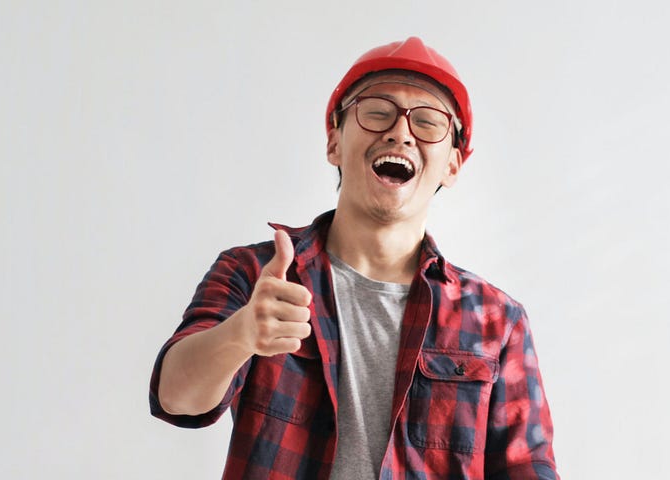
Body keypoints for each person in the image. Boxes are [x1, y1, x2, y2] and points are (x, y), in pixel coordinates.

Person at [148, 37, 558, 479]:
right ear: (334, 143)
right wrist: (242, 333)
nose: (400, 132)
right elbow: (176, 397)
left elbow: (527, 469)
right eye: (377, 111)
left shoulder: (498, 321)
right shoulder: (257, 276)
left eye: (427, 121)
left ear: (453, 165)